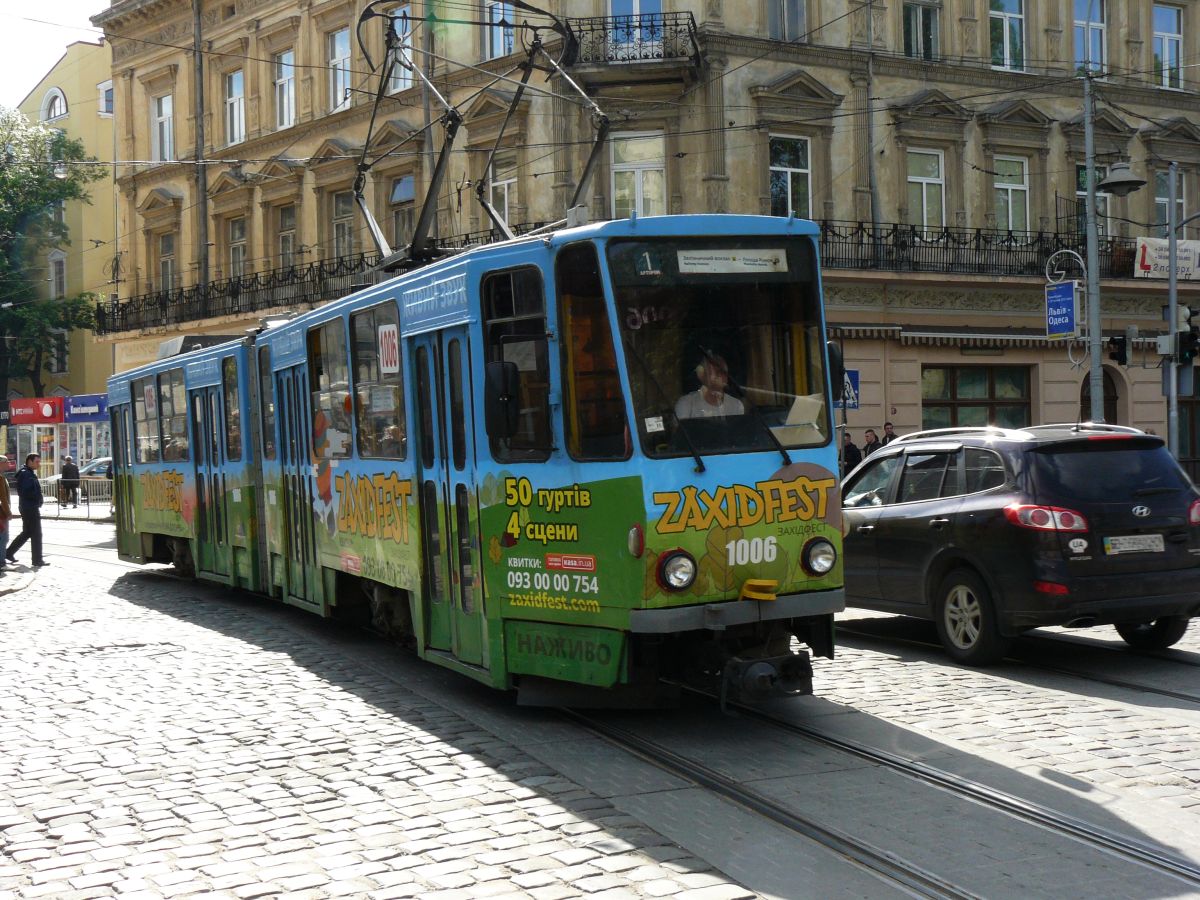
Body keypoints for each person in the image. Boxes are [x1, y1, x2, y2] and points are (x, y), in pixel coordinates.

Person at [7, 454, 47, 567]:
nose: (39, 464)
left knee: (27, 532)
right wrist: (37, 498)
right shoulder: (26, 474)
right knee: (36, 534)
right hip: (30, 507)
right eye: (37, 462)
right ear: (30, 461)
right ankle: (37, 560)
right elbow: (26, 491)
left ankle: (8, 552)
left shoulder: (27, 473)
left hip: (27, 506)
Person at [675, 354, 744, 420]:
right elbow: (680, 431)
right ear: (701, 375)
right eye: (717, 372)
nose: (721, 375)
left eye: (724, 372)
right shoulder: (686, 404)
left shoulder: (736, 405)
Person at [0, 470, 11, 575]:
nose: (8, 464)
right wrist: (8, 512)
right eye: (6, 462)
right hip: (1, 515)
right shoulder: (0, 478)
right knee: (3, 538)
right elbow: (3, 498)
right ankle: (2, 563)